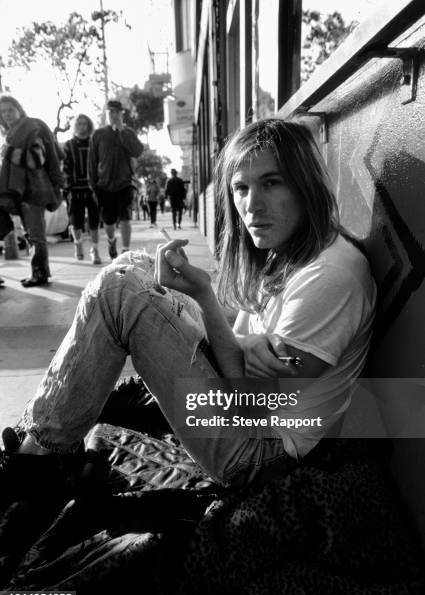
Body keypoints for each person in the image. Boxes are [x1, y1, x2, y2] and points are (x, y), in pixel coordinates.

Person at [1, 119, 376, 495]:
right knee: (135, 265)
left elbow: (251, 405)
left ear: (305, 184)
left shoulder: (330, 276)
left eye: (271, 183)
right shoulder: (293, 249)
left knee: (121, 291)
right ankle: (37, 439)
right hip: (246, 413)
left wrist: (204, 299)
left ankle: (38, 459)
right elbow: (246, 346)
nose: (252, 205)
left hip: (258, 454)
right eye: (241, 188)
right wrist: (232, 333)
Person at [0, 95, 63, 287]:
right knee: (31, 234)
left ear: (19, 109)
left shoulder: (30, 129)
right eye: (3, 112)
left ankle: (40, 273)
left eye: (10, 110)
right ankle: (38, 271)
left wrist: (9, 152)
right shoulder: (12, 133)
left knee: (36, 234)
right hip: (21, 190)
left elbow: (37, 158)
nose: (6, 114)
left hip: (33, 189)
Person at [88, 100, 143, 260]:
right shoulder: (98, 134)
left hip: (125, 183)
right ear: (105, 114)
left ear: (121, 114)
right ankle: (111, 240)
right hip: (104, 185)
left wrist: (122, 131)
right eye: (110, 112)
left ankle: (125, 250)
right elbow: (92, 161)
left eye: (116, 112)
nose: (113, 115)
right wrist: (93, 184)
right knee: (109, 221)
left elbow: (137, 151)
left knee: (125, 216)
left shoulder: (128, 132)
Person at [63, 114, 101, 265]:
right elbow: (65, 167)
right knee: (75, 222)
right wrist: (66, 188)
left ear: (89, 125)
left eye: (85, 123)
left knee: (94, 222)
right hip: (75, 189)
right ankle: (78, 244)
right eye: (79, 124)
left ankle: (95, 250)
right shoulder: (69, 144)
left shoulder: (94, 143)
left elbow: (100, 164)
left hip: (93, 188)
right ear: (75, 126)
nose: (82, 126)